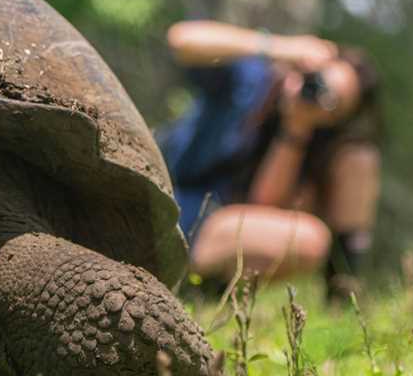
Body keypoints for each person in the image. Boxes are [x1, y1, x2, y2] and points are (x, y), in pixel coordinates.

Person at [159, 20, 381, 294]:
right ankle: (179, 278)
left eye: (332, 105)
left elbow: (262, 204)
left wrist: (295, 130)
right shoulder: (252, 78)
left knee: (311, 236)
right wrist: (282, 47)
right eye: (320, 81)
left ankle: (343, 287)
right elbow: (182, 39)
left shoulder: (310, 140)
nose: (316, 96)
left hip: (216, 228)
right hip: (167, 191)